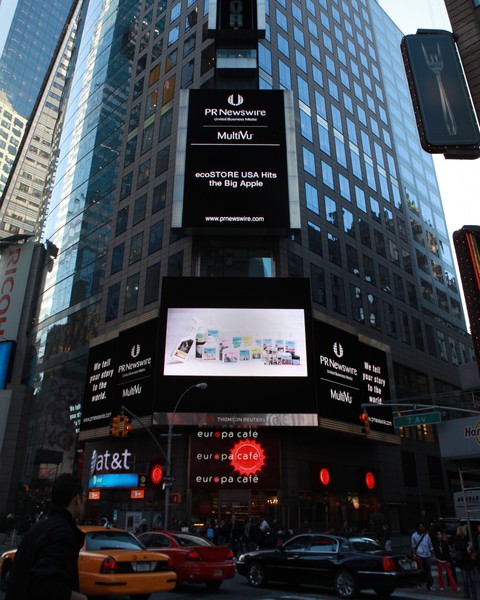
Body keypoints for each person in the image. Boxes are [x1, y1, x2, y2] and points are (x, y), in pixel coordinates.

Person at [5, 473, 88, 600]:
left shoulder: (39, 527)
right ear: (76, 499)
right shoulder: (62, 533)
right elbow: (43, 585)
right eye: (83, 497)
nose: (84, 501)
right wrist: (77, 597)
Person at [454, 525, 477, 600]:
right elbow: (468, 550)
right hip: (467, 561)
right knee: (471, 580)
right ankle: (473, 595)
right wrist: (468, 545)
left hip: (464, 562)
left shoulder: (458, 540)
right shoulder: (465, 540)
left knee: (466, 580)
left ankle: (468, 594)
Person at [411, 522, 435, 591]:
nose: (421, 528)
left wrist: (433, 554)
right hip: (419, 554)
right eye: (420, 526)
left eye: (422, 526)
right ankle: (420, 582)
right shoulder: (414, 536)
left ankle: (429, 585)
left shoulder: (426, 535)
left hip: (427, 554)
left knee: (428, 570)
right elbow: (413, 546)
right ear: (418, 527)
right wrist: (414, 555)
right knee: (421, 569)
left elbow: (430, 545)